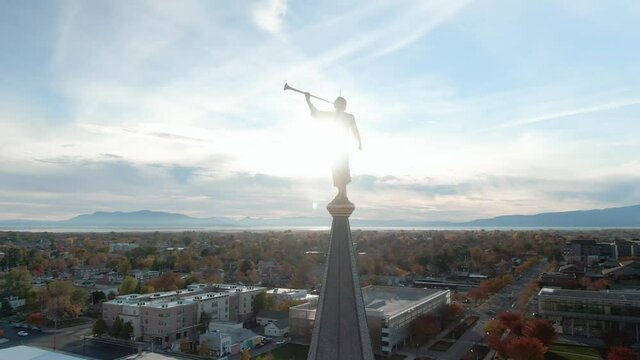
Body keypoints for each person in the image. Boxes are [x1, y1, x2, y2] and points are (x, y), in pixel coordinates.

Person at [305, 92, 362, 202]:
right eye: (338, 103)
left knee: (343, 170)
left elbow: (355, 130)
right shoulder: (331, 115)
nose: (340, 106)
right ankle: (341, 193)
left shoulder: (349, 117)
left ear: (343, 106)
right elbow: (316, 113)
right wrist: (308, 101)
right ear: (336, 105)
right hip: (335, 147)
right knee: (336, 170)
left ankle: (343, 194)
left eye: (342, 104)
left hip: (342, 148)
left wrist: (359, 142)